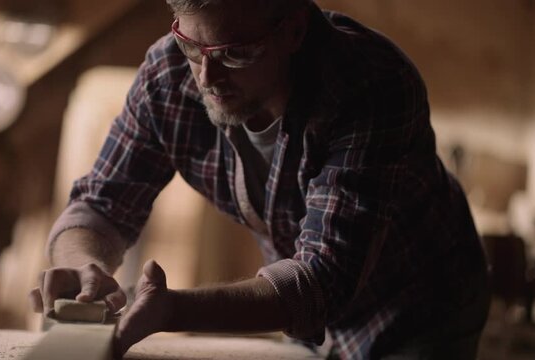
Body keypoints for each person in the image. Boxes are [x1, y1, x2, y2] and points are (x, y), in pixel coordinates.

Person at [29, 0, 491, 358]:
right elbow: (102, 204)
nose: (207, 77)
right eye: (192, 46)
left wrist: (175, 309)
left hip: (418, 305)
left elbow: (322, 280)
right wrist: (81, 261)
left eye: (236, 53)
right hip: (307, 317)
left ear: (292, 29)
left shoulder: (372, 86)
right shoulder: (168, 74)